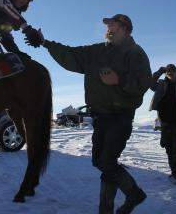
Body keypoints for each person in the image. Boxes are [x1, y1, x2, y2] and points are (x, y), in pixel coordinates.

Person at [27, 14, 152, 214]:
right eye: (108, 24)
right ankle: (128, 198)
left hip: (120, 116)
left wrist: (118, 80)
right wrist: (45, 43)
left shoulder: (135, 53)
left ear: (125, 28)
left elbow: (144, 83)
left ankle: (119, 202)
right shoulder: (97, 51)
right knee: (100, 162)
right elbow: (71, 55)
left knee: (107, 162)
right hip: (100, 117)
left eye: (113, 23)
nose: (108, 27)